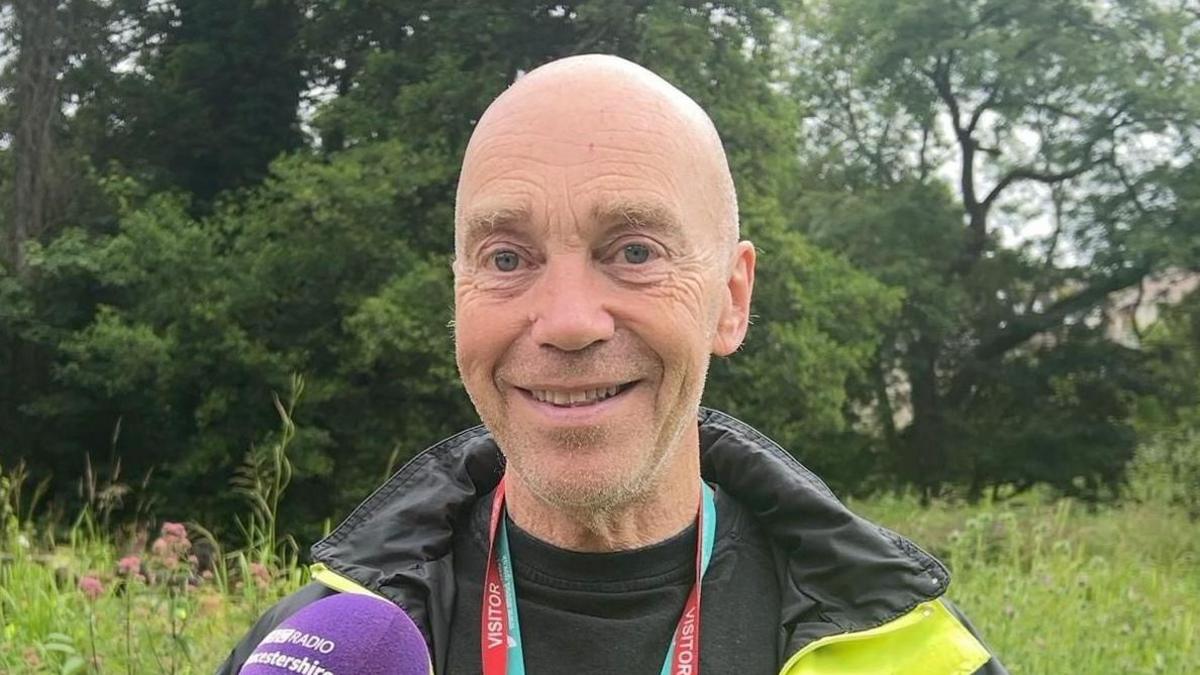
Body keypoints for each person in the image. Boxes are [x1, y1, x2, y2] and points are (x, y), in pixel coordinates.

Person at [218, 55, 1006, 675]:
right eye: (505, 255)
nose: (566, 321)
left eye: (634, 251)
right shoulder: (316, 655)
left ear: (731, 299)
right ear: (458, 294)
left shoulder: (906, 657)